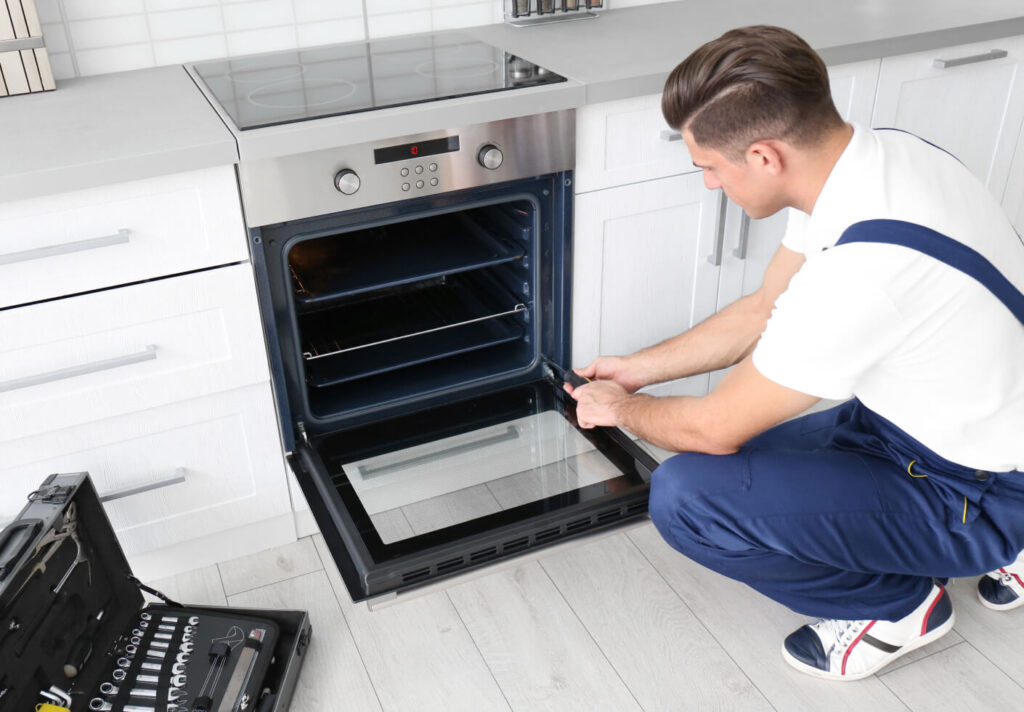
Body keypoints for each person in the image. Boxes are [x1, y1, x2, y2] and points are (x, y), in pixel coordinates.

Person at [564, 25, 1024, 681]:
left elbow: (713, 428)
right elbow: (764, 308)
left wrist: (620, 410)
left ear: (764, 156)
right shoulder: (875, 160)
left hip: (978, 484)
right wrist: (637, 370)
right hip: (926, 426)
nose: (710, 185)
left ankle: (898, 608)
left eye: (710, 167)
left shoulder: (866, 270)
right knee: (740, 469)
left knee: (688, 498)